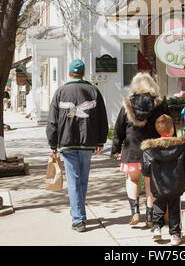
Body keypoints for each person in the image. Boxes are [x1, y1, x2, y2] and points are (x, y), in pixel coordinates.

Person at [46, 59, 108, 232]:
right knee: (82, 179)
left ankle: (78, 218)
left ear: (69, 73)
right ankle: (78, 212)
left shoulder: (60, 92)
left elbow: (52, 120)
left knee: (74, 180)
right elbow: (103, 118)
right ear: (83, 73)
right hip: (88, 142)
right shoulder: (94, 91)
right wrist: (101, 140)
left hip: (66, 142)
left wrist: (52, 143)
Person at [111, 72, 173, 228]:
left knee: (132, 180)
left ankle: (134, 211)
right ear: (152, 84)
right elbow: (168, 125)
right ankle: (150, 216)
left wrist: (115, 148)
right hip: (153, 149)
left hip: (132, 148)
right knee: (150, 183)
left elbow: (119, 128)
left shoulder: (128, 104)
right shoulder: (160, 103)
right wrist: (172, 144)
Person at [141, 114, 185, 246]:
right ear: (172, 130)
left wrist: (148, 176)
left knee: (158, 204)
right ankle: (175, 235)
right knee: (175, 208)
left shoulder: (149, 150)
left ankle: (156, 227)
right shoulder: (181, 148)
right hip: (176, 184)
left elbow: (146, 169)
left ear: (157, 130)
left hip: (158, 185)